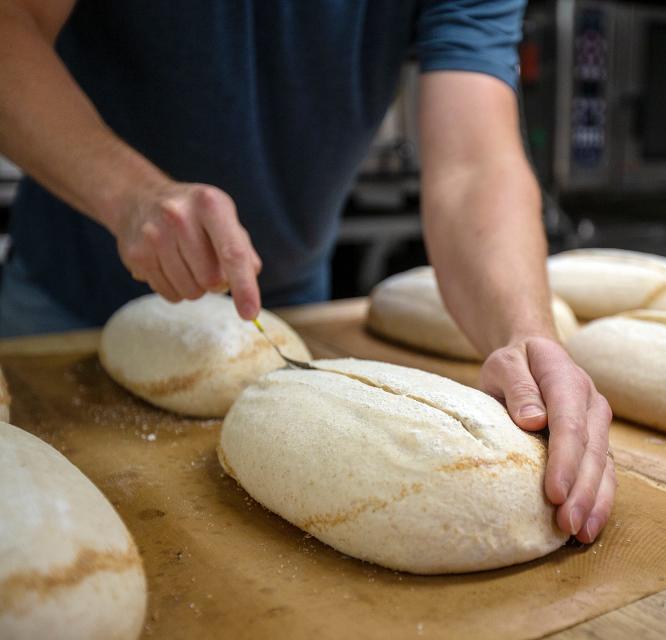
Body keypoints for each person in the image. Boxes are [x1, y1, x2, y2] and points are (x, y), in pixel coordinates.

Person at [0, 1, 615, 543]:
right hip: (63, 288)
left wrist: (525, 332)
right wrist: (129, 195)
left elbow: (473, 164)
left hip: (281, 303)